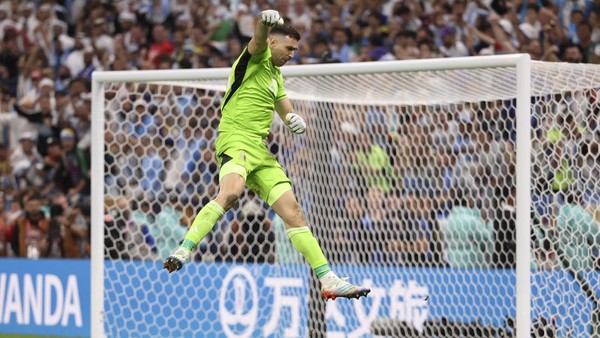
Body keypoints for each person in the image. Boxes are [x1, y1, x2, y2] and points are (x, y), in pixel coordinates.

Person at [163, 9, 370, 300]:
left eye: (296, 50)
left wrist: (292, 119)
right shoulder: (254, 59)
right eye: (289, 48)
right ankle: (185, 248)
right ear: (274, 44)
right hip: (235, 141)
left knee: (293, 211)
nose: (293, 55)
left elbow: (284, 106)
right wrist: (264, 24)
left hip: (260, 151)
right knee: (232, 192)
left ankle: (328, 278)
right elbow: (258, 40)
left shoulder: (276, 76)